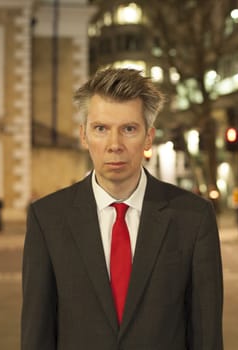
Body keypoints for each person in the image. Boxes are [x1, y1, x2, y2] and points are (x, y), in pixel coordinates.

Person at [21, 68, 223, 349]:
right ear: (83, 135)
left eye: (128, 129)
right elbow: (36, 335)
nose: (114, 145)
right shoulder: (47, 219)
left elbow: (207, 336)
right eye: (101, 129)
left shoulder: (193, 218)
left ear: (149, 137)